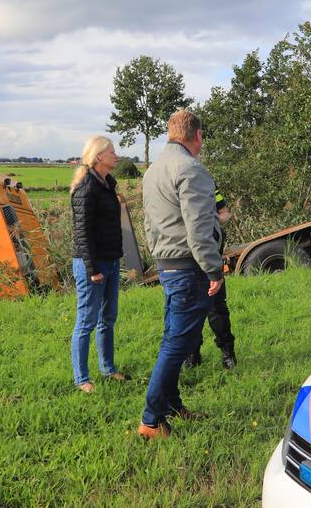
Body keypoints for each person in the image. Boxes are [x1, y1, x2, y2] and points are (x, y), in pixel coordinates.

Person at [138, 110, 224, 440]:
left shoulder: (153, 171)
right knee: (177, 344)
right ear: (197, 135)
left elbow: (149, 223)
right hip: (189, 266)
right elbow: (199, 228)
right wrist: (213, 268)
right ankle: (150, 420)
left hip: (167, 263)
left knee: (177, 337)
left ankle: (172, 404)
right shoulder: (191, 169)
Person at [69, 135, 126, 393]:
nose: (117, 155)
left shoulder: (106, 184)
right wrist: (92, 270)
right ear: (99, 156)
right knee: (86, 321)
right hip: (91, 263)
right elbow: (83, 233)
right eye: (112, 151)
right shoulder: (87, 188)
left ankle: (108, 368)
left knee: (108, 318)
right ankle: (81, 378)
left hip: (110, 260)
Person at [185, 186, 236, 370]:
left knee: (217, 309)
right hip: (185, 257)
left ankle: (228, 353)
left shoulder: (207, 183)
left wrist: (213, 221)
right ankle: (192, 355)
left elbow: (224, 214)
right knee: (190, 310)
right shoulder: (174, 183)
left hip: (210, 254)